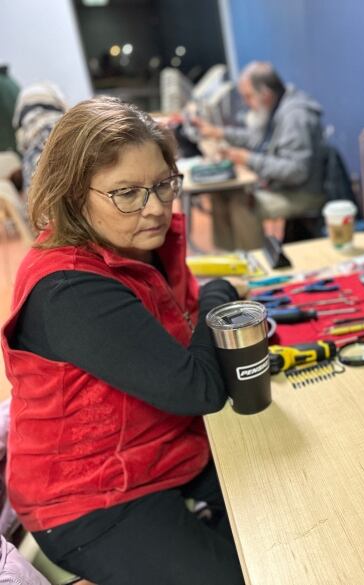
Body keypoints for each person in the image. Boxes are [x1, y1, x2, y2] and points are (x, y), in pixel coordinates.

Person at [0, 96, 246, 584]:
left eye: (162, 185)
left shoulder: (139, 240)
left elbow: (188, 317)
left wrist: (208, 310)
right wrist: (223, 295)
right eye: (127, 192)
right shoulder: (69, 287)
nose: (154, 207)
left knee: (283, 523)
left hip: (161, 449)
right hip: (85, 498)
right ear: (73, 194)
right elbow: (199, 388)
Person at [194, 61, 325, 244]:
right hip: (281, 187)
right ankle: (230, 258)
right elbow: (255, 138)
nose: (246, 104)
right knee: (221, 196)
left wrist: (247, 159)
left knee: (244, 206)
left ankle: (255, 264)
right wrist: (219, 133)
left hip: (302, 193)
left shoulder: (295, 116)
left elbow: (297, 171)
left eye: (248, 97)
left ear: (266, 95)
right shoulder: (275, 108)